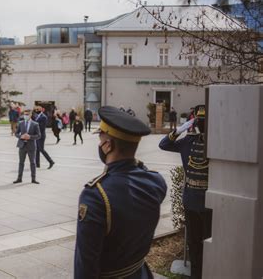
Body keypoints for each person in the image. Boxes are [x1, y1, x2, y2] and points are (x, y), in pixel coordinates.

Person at [75, 106, 167, 278]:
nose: (99, 143)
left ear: (108, 145)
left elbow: (85, 264)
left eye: (101, 138)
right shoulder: (156, 182)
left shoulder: (95, 196)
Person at [159, 105, 210, 279]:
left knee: (208, 242)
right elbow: (164, 144)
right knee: (194, 244)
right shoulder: (188, 141)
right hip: (191, 200)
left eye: (203, 121)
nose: (201, 124)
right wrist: (179, 130)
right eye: (199, 121)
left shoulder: (216, 142)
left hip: (209, 202)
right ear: (194, 122)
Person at [13, 109, 41, 184]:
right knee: (21, 163)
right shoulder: (21, 123)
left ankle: (33, 179)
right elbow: (16, 133)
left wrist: (30, 137)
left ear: (30, 115)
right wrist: (20, 136)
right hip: (22, 146)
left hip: (31, 146)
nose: (25, 116)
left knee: (33, 163)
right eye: (24, 114)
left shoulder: (35, 124)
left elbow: (39, 135)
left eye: (27, 114)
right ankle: (19, 178)